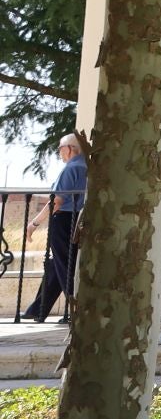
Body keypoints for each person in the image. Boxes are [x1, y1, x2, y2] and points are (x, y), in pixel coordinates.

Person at [23, 134, 86, 323]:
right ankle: (38, 309)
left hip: (64, 220)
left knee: (66, 265)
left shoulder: (71, 168)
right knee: (57, 264)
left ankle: (78, 312)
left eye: (60, 148)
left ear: (69, 148)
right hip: (75, 219)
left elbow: (56, 201)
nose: (59, 153)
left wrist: (34, 223)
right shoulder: (86, 167)